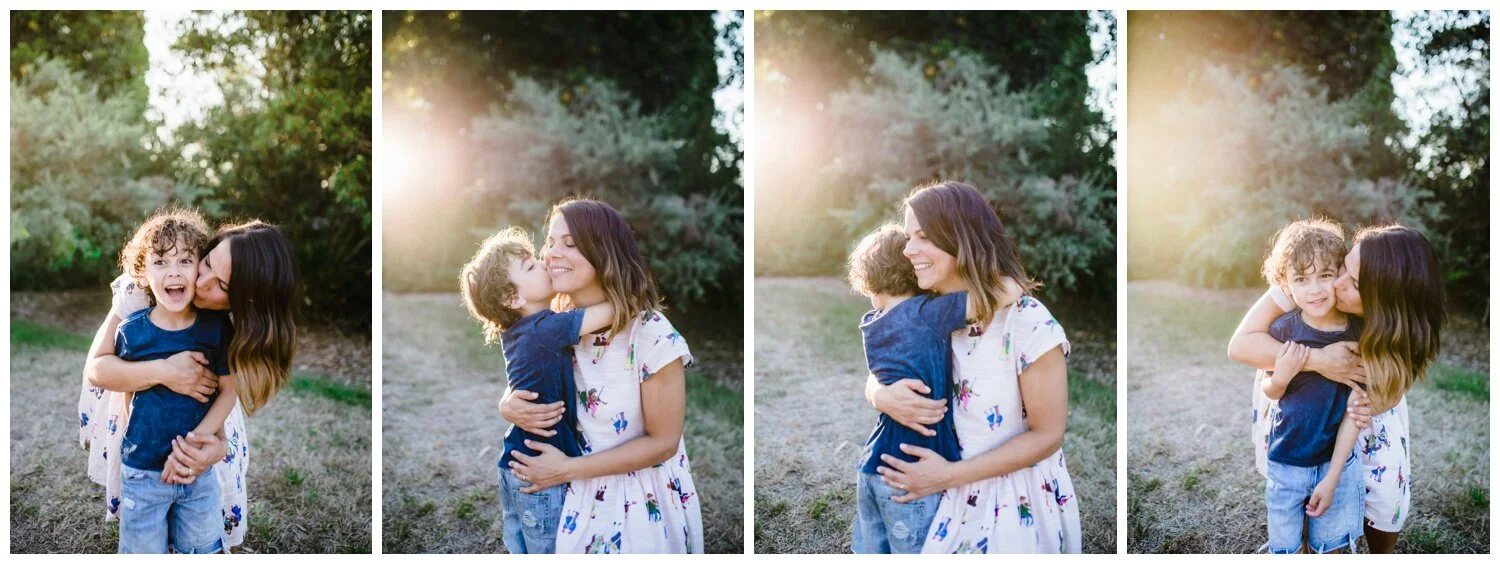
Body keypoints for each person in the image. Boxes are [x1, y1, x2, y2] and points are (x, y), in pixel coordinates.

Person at [866, 182, 1080, 553]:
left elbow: (1048, 435)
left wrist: (947, 476)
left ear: (960, 239)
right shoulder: (927, 312)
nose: (907, 249)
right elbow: (882, 359)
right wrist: (879, 393)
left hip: (1008, 498)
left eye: (922, 237)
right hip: (942, 493)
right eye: (907, 237)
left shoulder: (1026, 321)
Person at [80, 216, 299, 549]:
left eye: (222, 287)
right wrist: (166, 371)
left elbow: (226, 389)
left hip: (205, 418)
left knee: (205, 520)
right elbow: (98, 367)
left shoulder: (236, 320)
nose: (201, 282)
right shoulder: (145, 286)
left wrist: (215, 441)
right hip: (142, 407)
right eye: (208, 263)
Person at [500, 199, 703, 553]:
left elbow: (663, 443)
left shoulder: (650, 333)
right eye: (550, 241)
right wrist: (506, 403)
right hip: (572, 494)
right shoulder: (557, 321)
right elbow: (532, 374)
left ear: (603, 251)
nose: (551, 253)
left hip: (636, 501)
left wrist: (566, 470)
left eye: (570, 243)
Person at [1229, 224, 1446, 553]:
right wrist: (1317, 360)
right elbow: (1240, 346)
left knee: (1385, 490)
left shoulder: (1398, 320)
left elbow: (1394, 381)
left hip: (1361, 405)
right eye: (1345, 265)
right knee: (1304, 474)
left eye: (1353, 282)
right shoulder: (1304, 279)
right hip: (1298, 394)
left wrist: (1376, 396)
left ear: (1381, 297)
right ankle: (1304, 540)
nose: (1336, 284)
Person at [458, 226, 614, 553]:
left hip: (515, 462)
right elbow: (611, 311)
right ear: (512, 298)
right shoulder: (547, 329)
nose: (544, 262)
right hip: (540, 469)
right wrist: (631, 289)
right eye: (530, 267)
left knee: (520, 547)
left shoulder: (520, 331)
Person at [96, 209, 238, 553]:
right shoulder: (133, 330)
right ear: (143, 273)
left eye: (186, 260)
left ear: (199, 266)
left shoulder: (215, 328)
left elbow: (229, 389)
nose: (173, 271)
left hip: (197, 471)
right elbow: (123, 389)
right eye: (160, 262)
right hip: (142, 469)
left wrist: (196, 448)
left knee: (201, 548)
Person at [845, 223, 974, 553]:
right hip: (912, 471)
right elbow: (985, 298)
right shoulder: (929, 315)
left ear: (870, 279)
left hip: (873, 464)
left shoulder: (871, 324)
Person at [1253, 218, 1364, 554]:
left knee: (1328, 545)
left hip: (1337, 464)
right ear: (1286, 284)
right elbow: (1271, 392)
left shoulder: (1357, 333)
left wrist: (1331, 477)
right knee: (1285, 546)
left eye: (1325, 275)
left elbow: (1356, 412)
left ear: (1340, 276)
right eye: (1302, 279)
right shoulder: (1283, 330)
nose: (1314, 289)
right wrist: (1282, 376)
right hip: (1286, 459)